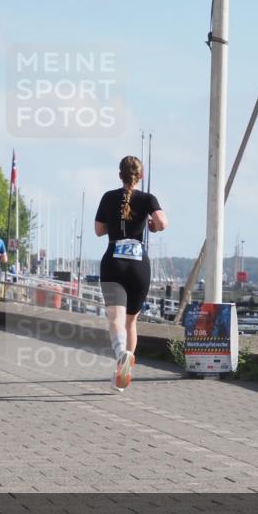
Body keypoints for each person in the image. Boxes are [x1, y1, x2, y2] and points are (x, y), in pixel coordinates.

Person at [94, 155, 168, 391]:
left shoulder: (108, 197)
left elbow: (98, 230)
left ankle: (120, 356)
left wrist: (111, 223)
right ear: (141, 176)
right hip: (138, 265)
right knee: (131, 322)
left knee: (115, 318)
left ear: (120, 175)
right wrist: (152, 227)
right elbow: (162, 223)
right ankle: (125, 369)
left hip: (113, 261)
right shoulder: (148, 198)